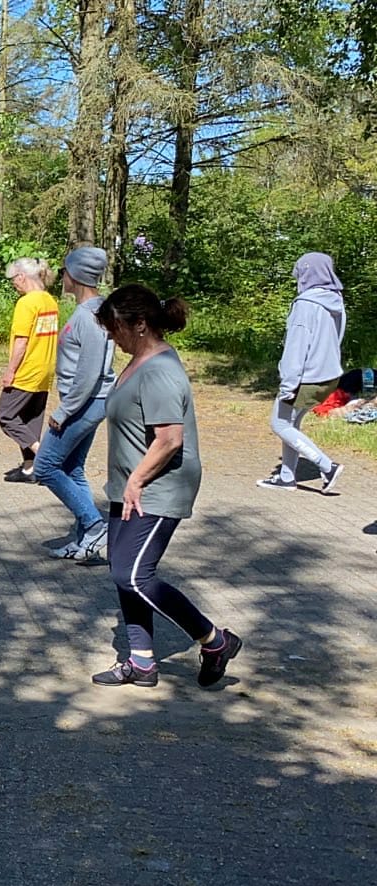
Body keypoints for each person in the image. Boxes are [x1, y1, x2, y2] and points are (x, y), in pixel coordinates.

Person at [89, 284, 242, 689]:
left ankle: (214, 640)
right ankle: (141, 662)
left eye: (114, 327)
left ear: (139, 324)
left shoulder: (159, 371)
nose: (110, 334)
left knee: (134, 575)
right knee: (121, 569)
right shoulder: (139, 361)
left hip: (159, 486)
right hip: (129, 486)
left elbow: (170, 439)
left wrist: (137, 478)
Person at [37, 246, 115, 561]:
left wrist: (64, 411)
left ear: (77, 276)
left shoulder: (91, 316)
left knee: (44, 466)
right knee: (72, 467)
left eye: (67, 271)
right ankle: (87, 541)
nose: (63, 275)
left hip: (85, 403)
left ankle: (95, 523)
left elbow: (89, 373)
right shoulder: (92, 310)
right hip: (87, 401)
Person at [257, 252, 346, 494]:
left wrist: (288, 386)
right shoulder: (335, 301)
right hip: (329, 375)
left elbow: (295, 350)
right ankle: (287, 477)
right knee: (291, 423)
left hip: (307, 377)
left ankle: (327, 466)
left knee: (279, 423)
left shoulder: (305, 305)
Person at [0, 258, 60, 482]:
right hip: (45, 369)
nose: (13, 284)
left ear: (22, 277)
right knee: (30, 418)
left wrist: (10, 371)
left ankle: (43, 457)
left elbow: (22, 342)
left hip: (27, 369)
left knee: (6, 416)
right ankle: (30, 468)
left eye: (13, 279)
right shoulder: (50, 301)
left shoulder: (26, 303)